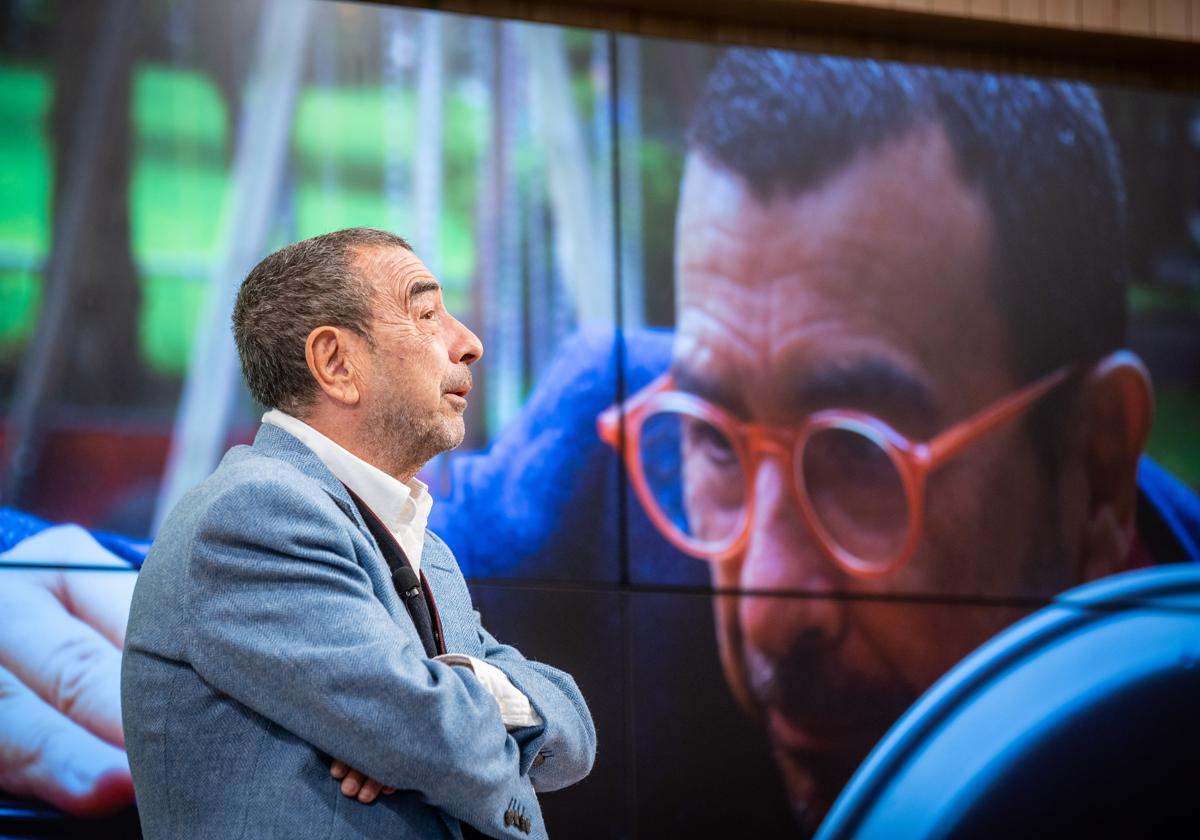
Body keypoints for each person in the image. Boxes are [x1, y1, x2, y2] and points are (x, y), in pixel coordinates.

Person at [4, 49, 1200, 836]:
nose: (769, 608)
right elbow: (225, 596)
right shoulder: (606, 469)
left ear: (1098, 462)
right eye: (718, 443)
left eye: (857, 459)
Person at [119, 228, 596, 839]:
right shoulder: (255, 514)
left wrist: (464, 687)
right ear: (337, 363)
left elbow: (574, 730)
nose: (469, 343)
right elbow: (428, 735)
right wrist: (434, 734)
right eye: (426, 314)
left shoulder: (427, 550)